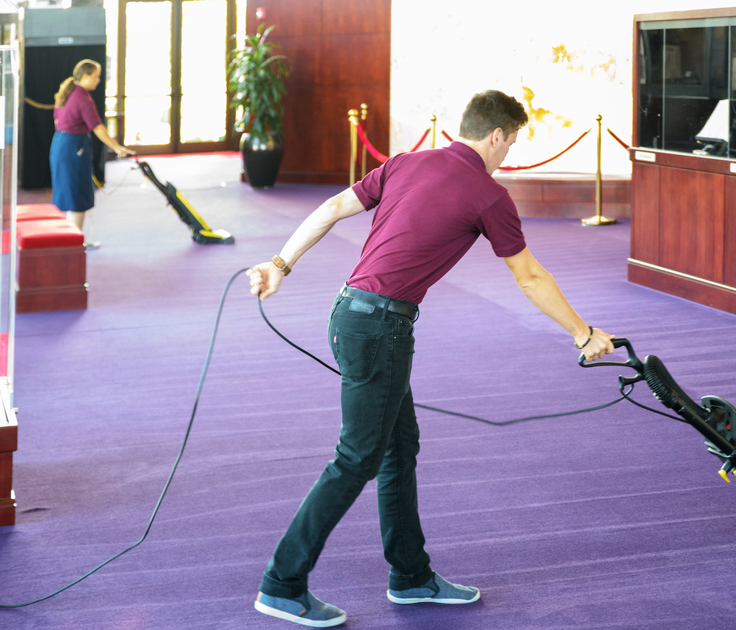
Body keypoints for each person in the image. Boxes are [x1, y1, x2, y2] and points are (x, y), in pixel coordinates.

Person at [246, 90, 617, 628]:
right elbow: (530, 276)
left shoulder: (404, 163)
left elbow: (331, 208)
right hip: (381, 330)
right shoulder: (488, 195)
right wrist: (583, 334)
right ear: (496, 135)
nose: (508, 153)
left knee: (398, 446)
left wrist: (281, 262)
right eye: (510, 143)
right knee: (358, 457)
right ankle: (282, 584)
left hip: (349, 312)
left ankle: (411, 576)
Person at [50, 59, 133, 247]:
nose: (98, 80)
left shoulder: (67, 92)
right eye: (96, 76)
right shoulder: (82, 97)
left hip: (61, 145)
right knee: (77, 198)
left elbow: (56, 122)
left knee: (72, 197)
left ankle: (73, 240)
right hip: (73, 148)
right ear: (85, 76)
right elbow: (98, 128)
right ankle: (74, 244)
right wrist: (118, 148)